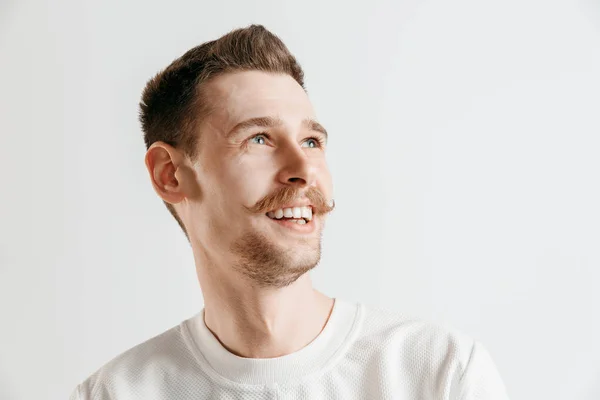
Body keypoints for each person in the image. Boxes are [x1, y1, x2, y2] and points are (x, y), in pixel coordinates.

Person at [69, 24, 510, 399]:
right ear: (170, 175)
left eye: (312, 142)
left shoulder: (439, 374)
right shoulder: (117, 392)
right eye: (259, 138)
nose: (304, 171)